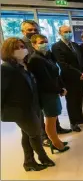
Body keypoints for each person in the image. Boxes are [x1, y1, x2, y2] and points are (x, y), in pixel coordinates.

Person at [1, 37, 54, 171]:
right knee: (35, 134)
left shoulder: (23, 64)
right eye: (16, 48)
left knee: (27, 135)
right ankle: (43, 158)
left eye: (22, 46)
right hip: (21, 109)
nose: (21, 50)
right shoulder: (6, 68)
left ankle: (29, 162)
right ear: (8, 51)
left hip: (33, 105)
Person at [20, 20, 71, 145]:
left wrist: (60, 86)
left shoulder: (46, 54)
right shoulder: (33, 56)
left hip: (52, 90)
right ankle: (52, 141)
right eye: (41, 43)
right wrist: (59, 89)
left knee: (52, 116)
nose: (33, 32)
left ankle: (55, 136)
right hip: (45, 92)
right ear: (33, 45)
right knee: (48, 117)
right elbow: (44, 79)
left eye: (35, 29)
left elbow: (53, 72)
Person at [52, 25, 83, 132]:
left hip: (81, 77)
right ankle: (73, 122)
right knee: (71, 101)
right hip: (69, 78)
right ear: (60, 33)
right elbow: (63, 64)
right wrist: (79, 73)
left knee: (79, 99)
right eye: (65, 31)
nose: (68, 33)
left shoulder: (75, 45)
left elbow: (82, 59)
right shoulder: (56, 46)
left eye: (69, 31)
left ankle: (81, 118)